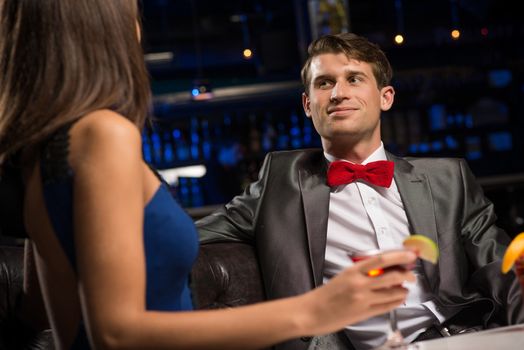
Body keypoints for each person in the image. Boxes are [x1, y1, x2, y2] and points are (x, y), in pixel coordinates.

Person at [0, 1, 418, 349]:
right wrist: (316, 309)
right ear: (102, 24)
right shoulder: (103, 134)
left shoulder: (40, 150)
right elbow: (116, 333)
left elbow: (41, 307)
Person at [197, 32, 524, 350]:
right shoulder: (280, 182)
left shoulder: (447, 178)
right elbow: (186, 236)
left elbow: (501, 269)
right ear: (308, 105)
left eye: (354, 79)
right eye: (324, 83)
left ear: (386, 97)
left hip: (464, 336)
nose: (338, 93)